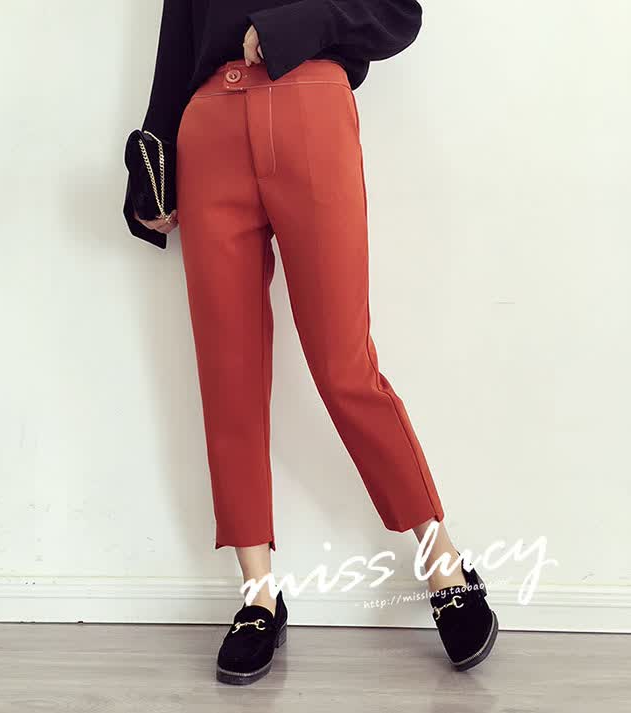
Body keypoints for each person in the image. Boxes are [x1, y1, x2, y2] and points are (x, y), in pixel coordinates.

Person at [123, 0, 499, 685]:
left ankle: (444, 564)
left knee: (343, 365)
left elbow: (397, 13)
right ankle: (258, 596)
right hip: (208, 130)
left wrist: (293, 29)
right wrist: (153, 158)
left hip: (311, 105)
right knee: (228, 372)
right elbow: (178, 39)